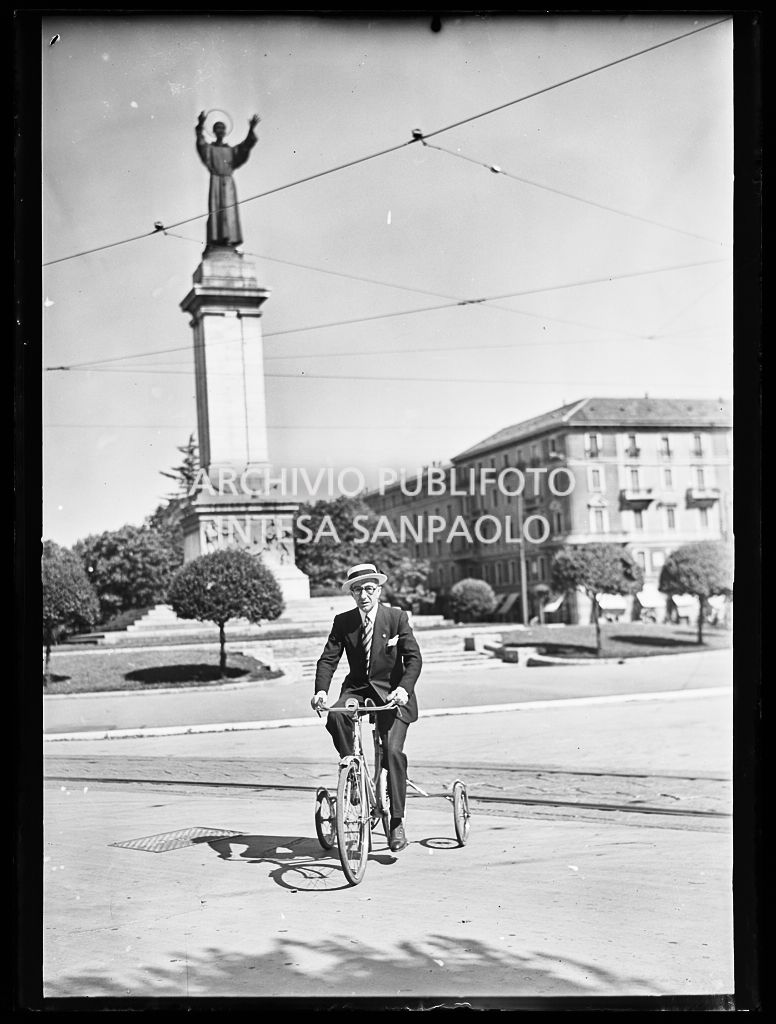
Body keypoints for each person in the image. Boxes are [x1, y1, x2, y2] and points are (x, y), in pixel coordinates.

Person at [311, 563, 422, 852]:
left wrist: (403, 689)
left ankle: (396, 822)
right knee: (336, 716)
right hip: (358, 691)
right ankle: (353, 773)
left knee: (393, 753)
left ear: (379, 590)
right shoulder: (344, 622)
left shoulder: (396, 618)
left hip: (393, 695)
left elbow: (413, 659)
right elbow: (328, 659)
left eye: (369, 589)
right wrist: (321, 691)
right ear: (351, 594)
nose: (364, 595)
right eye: (357, 590)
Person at [195, 111, 260, 248]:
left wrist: (251, 129)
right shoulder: (209, 149)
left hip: (228, 184)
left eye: (222, 128)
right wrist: (200, 125)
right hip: (216, 182)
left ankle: (229, 240)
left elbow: (245, 147)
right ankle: (215, 241)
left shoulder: (231, 151)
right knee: (216, 211)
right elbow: (201, 143)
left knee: (229, 211)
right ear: (214, 131)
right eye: (217, 128)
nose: (220, 131)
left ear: (225, 132)